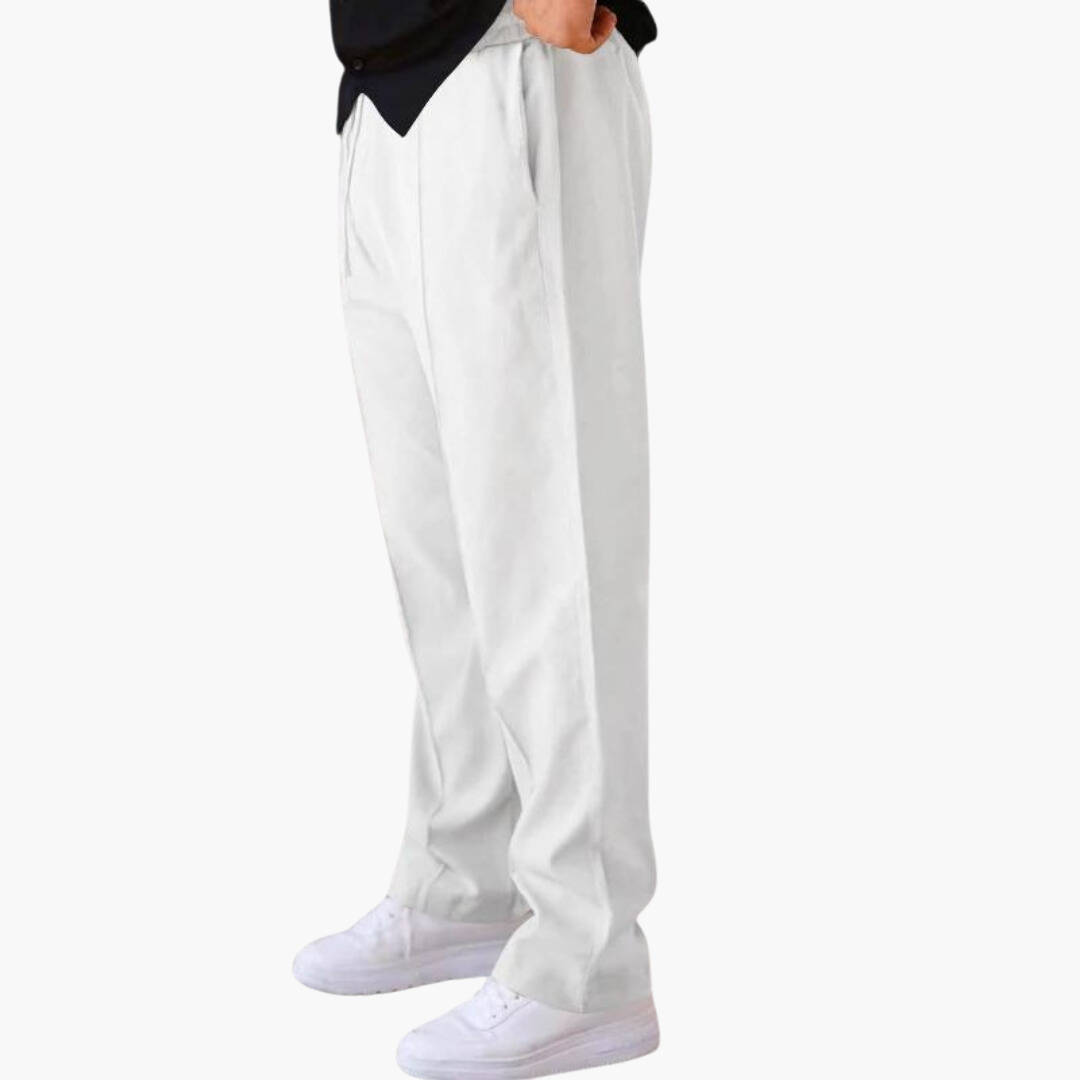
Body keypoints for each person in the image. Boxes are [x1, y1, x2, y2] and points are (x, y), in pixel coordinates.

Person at [294, 1, 659, 1075]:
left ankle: (587, 962)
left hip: (513, 59)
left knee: (551, 540)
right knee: (443, 548)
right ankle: (467, 879)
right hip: (384, 89)